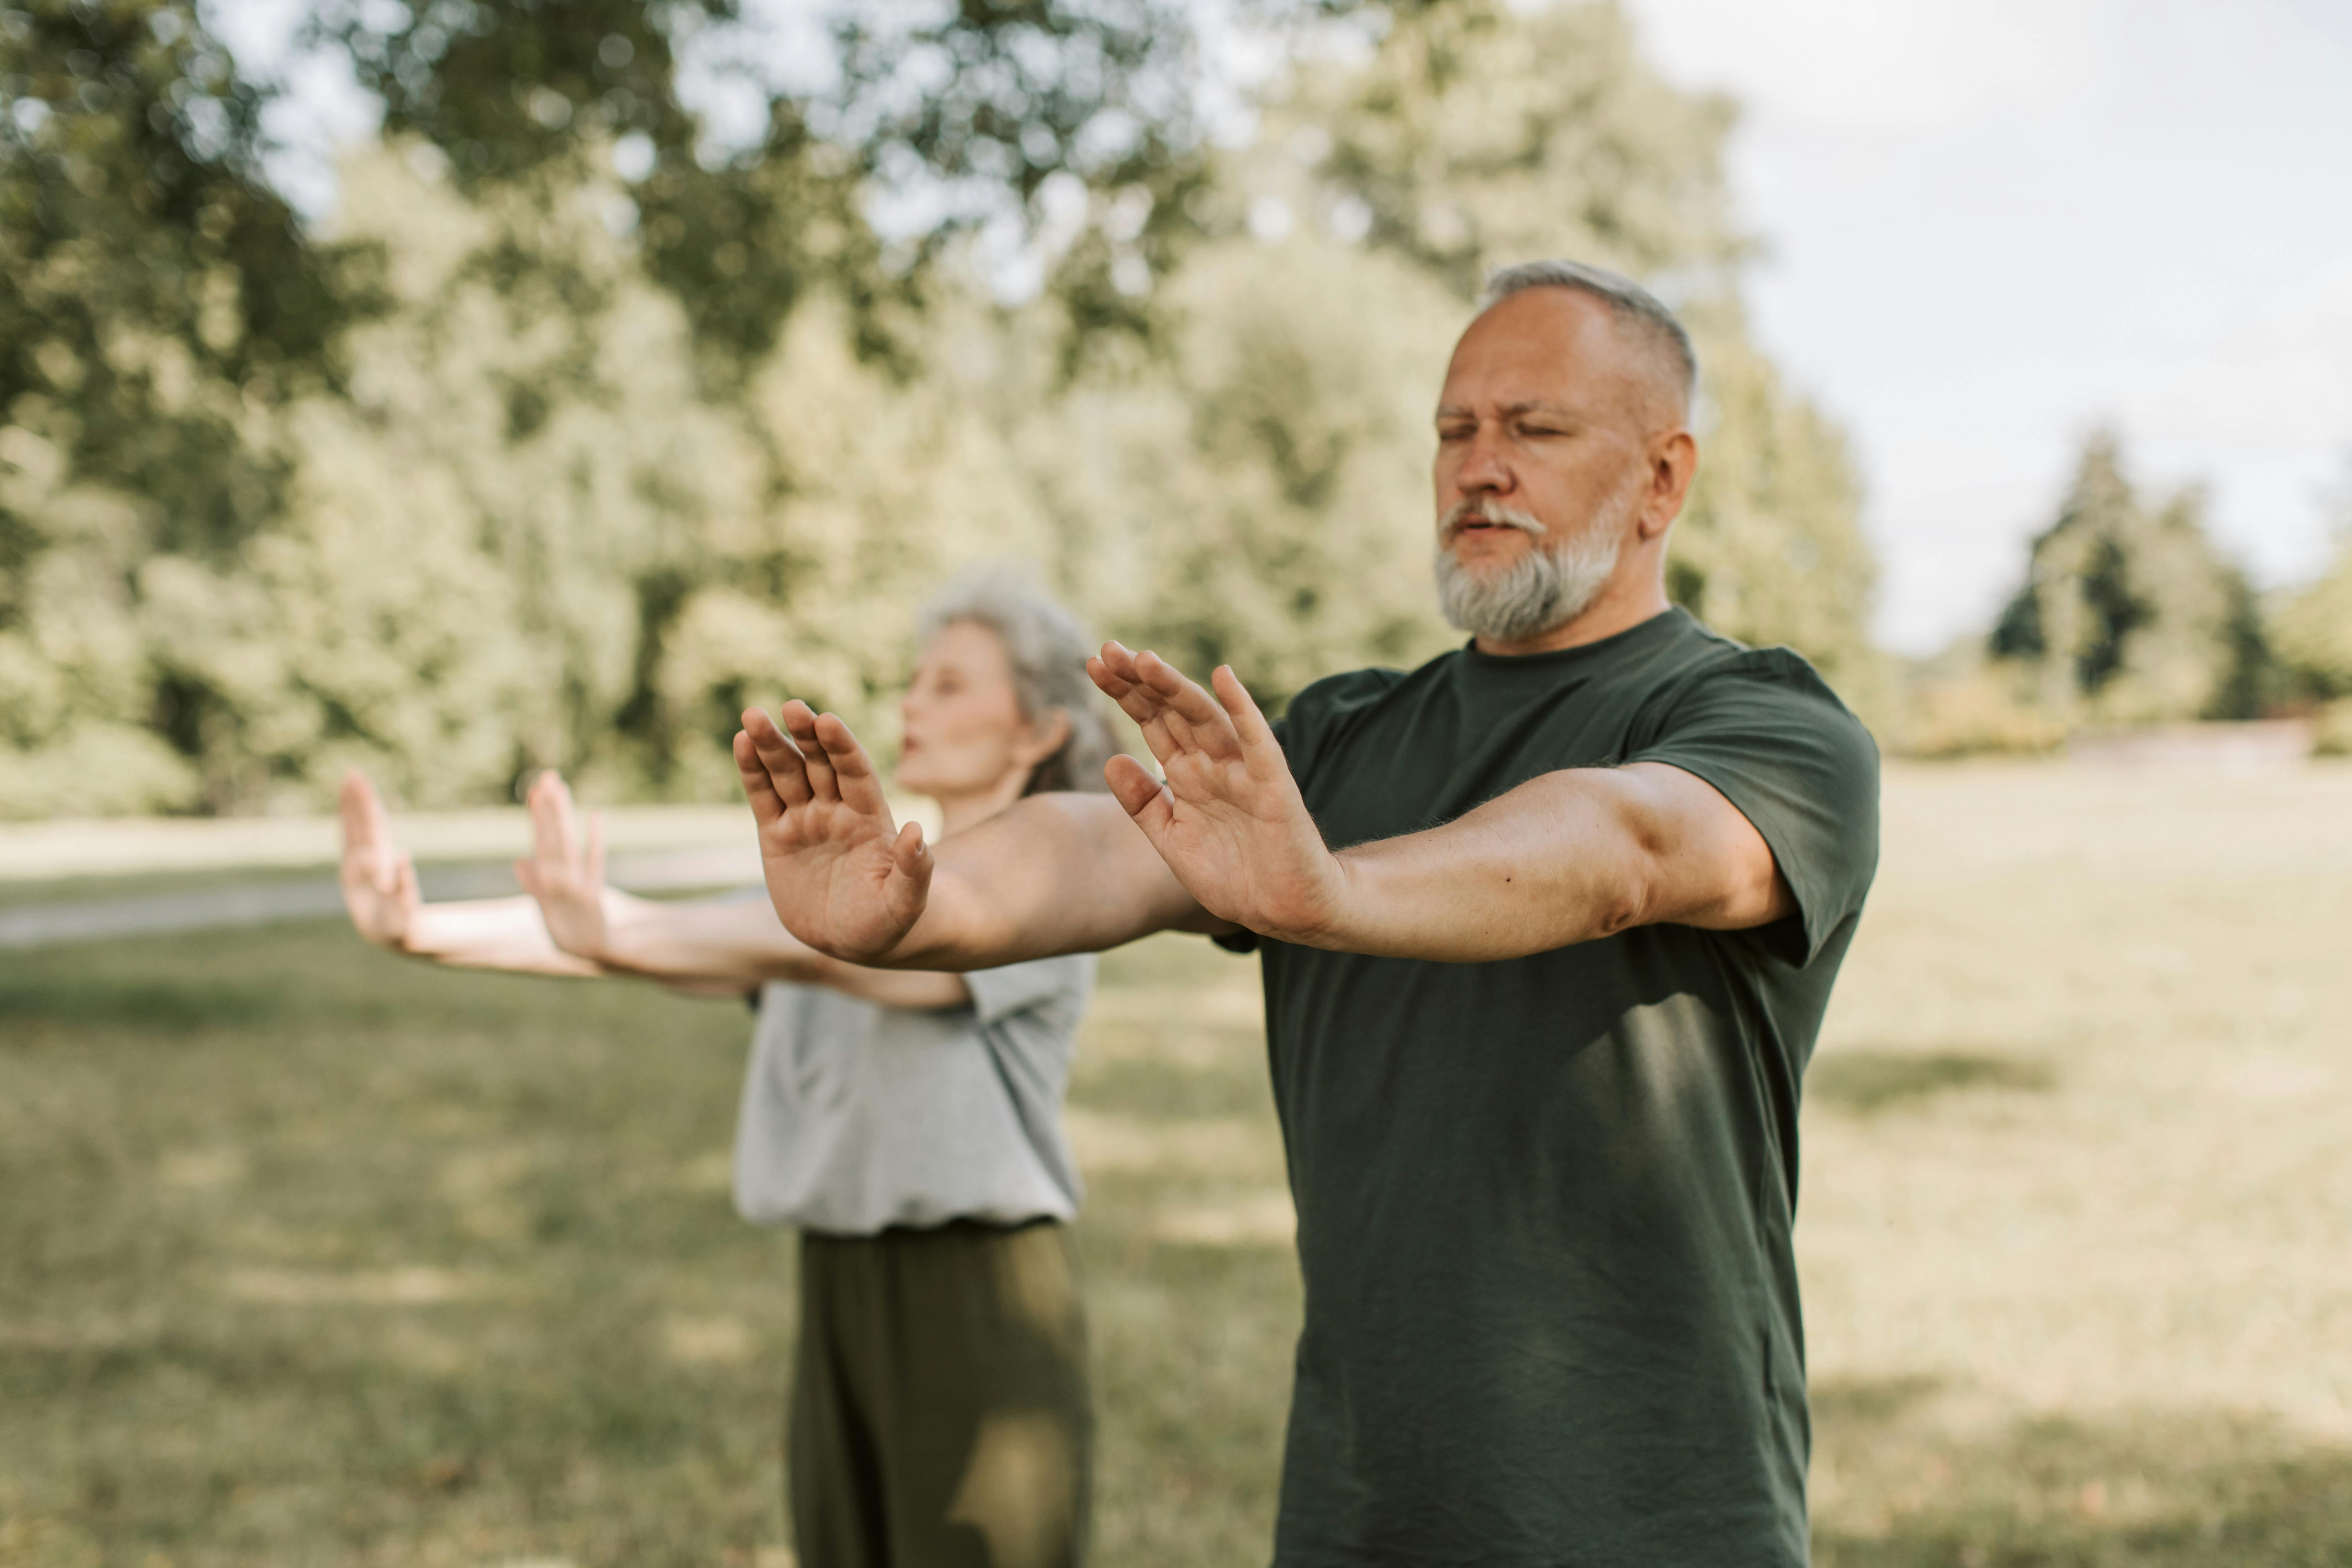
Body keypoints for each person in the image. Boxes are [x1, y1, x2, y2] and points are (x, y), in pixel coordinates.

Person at [729, 261, 1882, 1565]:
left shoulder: (1773, 726)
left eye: (1536, 429)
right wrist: (918, 914)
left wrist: (1338, 894)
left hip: (1656, 1515)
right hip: (1362, 1509)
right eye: (1455, 430)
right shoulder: (1345, 738)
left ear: (1664, 480)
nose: (1479, 468)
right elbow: (1111, 841)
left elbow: (1629, 846)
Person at [339, 571, 1118, 1568]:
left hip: (977, 1290)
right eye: (914, 679)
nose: (914, 702)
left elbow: (806, 948)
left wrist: (618, 925)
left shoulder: (1057, 883)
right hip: (836, 1271)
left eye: (953, 684)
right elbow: (688, 938)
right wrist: (416, 930)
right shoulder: (833, 890)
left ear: (1040, 728)